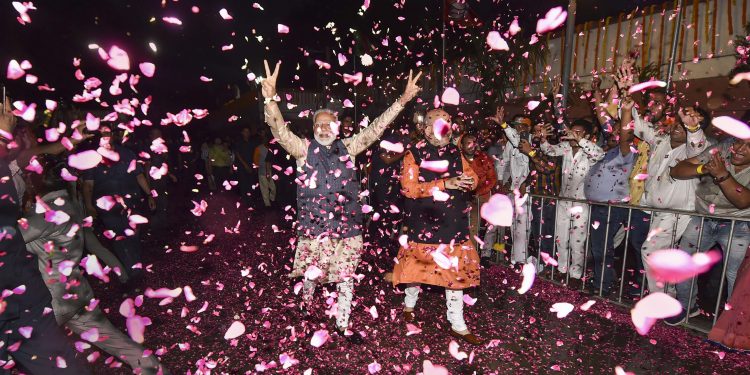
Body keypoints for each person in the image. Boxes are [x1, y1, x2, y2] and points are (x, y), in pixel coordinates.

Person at [260, 60, 421, 342]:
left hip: (347, 229)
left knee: (346, 278)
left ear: (337, 127)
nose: (324, 128)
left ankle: (342, 322)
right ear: (312, 128)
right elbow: (280, 132)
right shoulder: (302, 149)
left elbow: (376, 128)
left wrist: (402, 101)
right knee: (312, 277)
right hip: (314, 229)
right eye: (318, 124)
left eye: (328, 124)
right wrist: (271, 100)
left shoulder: (350, 147)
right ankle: (306, 307)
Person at [22, 158, 167, 374]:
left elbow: (10, 237)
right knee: (116, 343)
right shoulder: (67, 203)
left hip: (54, 299)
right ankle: (155, 370)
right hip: (78, 293)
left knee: (28, 350)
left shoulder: (47, 212)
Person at [0, 98, 90, 374]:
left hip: (21, 288)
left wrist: (71, 139)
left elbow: (40, 150)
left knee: (60, 361)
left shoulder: (13, 158)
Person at [393, 108, 483, 345]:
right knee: (417, 270)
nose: (443, 128)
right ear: (425, 130)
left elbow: (474, 178)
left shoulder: (455, 151)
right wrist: (444, 183)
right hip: (424, 223)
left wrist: (467, 182)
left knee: (454, 274)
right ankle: (409, 304)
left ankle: (458, 323)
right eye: (437, 124)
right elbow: (408, 189)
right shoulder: (413, 154)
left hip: (453, 225)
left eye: (447, 124)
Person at [621, 99, 709, 295]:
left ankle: (663, 297)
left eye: (686, 124)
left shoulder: (697, 149)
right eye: (678, 122)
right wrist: (627, 104)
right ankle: (669, 295)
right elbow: (635, 124)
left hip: (678, 213)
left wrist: (693, 128)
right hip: (656, 211)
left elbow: (697, 145)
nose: (679, 126)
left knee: (650, 250)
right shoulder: (659, 140)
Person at [667, 136, 750, 325]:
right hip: (703, 218)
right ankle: (687, 307)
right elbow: (678, 170)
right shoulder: (723, 148)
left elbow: (743, 201)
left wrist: (721, 174)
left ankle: (734, 321)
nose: (739, 149)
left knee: (735, 275)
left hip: (738, 223)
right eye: (739, 142)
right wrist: (703, 168)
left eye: (749, 146)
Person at [82, 128, 156, 282]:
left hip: (131, 202)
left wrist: (149, 194)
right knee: (118, 237)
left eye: (107, 133)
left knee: (134, 235)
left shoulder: (127, 154)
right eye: (102, 134)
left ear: (113, 135)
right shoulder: (91, 158)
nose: (105, 137)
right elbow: (88, 184)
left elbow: (139, 175)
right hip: (108, 207)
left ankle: (135, 265)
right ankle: (131, 272)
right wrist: (89, 205)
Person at [539, 119, 605, 278]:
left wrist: (579, 140)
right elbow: (549, 150)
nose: (572, 135)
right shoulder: (566, 148)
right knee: (561, 238)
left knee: (577, 241)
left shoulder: (589, 152)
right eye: (572, 131)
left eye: (578, 132)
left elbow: (600, 154)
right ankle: (562, 269)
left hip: (581, 203)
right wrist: (542, 139)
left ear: (587, 136)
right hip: (563, 201)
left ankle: (575, 274)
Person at [583, 118, 640, 296]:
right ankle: (604, 280)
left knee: (602, 248)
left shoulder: (626, 152)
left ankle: (602, 285)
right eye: (612, 130)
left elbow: (624, 138)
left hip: (611, 207)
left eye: (618, 131)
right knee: (601, 246)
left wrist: (625, 112)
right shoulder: (606, 152)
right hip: (600, 206)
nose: (614, 133)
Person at [489, 108, 534, 266]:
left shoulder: (532, 142)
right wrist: (501, 180)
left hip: (526, 192)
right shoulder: (510, 143)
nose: (518, 129)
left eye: (521, 126)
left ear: (528, 128)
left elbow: (516, 141)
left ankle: (521, 261)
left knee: (523, 228)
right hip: (512, 191)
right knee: (514, 227)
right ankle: (516, 260)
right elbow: (504, 162)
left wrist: (503, 124)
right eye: (515, 126)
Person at [459, 132, 497, 259]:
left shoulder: (484, 158)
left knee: (490, 226)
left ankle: (485, 255)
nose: (472, 146)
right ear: (462, 146)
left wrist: (478, 193)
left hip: (483, 196)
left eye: (474, 143)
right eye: (468, 143)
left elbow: (492, 179)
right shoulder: (457, 159)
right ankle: (470, 256)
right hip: (463, 198)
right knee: (471, 228)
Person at [143, 127, 177, 232]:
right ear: (151, 136)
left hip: (163, 182)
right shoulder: (148, 149)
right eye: (156, 135)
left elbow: (164, 165)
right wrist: (148, 186)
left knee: (163, 203)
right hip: (153, 183)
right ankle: (155, 227)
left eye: (160, 135)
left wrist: (170, 174)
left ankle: (163, 224)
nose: (159, 137)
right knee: (154, 205)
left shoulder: (162, 148)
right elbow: (146, 169)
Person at [234, 128, 260, 204]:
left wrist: (255, 165)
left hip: (251, 165)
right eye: (245, 131)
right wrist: (245, 165)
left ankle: (250, 200)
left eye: (248, 131)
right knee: (243, 183)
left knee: (250, 182)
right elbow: (238, 154)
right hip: (242, 166)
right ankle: (244, 200)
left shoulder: (252, 143)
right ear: (242, 133)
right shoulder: (239, 142)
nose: (247, 133)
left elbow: (255, 155)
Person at [256, 135, 276, 208]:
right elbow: (255, 160)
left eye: (266, 138)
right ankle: (267, 204)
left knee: (273, 187)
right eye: (264, 139)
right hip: (262, 171)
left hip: (270, 171)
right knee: (264, 188)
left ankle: (271, 199)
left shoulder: (271, 148)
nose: (265, 140)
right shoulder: (258, 148)